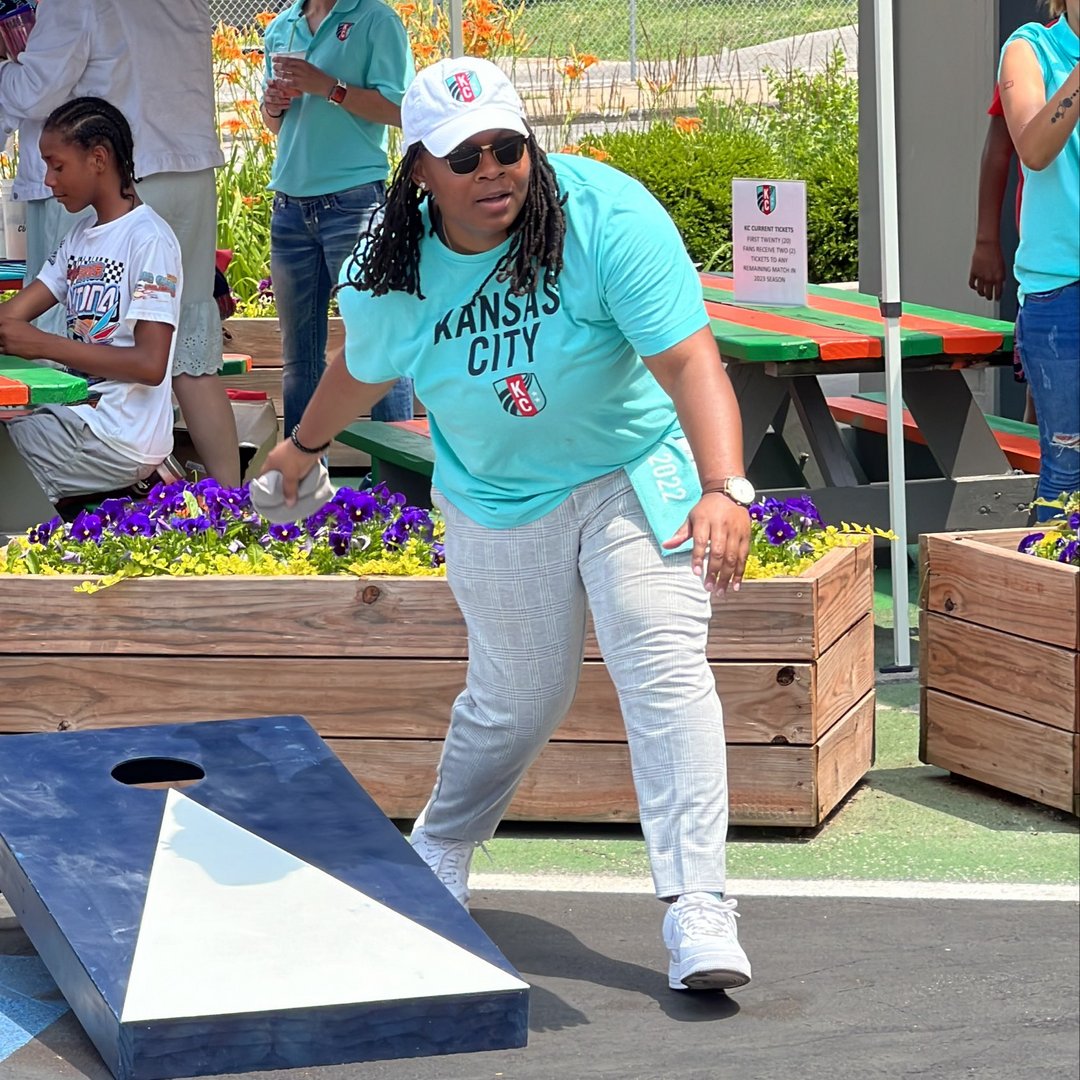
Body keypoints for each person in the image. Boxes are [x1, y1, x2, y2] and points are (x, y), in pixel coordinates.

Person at [259, 57, 755, 993]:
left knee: (662, 663)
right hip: (495, 495)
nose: (492, 170)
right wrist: (300, 447)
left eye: (507, 146)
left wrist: (726, 486)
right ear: (418, 171)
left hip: (627, 471)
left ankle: (698, 903)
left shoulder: (606, 214)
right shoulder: (390, 263)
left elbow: (692, 361)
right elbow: (365, 366)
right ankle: (442, 842)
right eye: (463, 155)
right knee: (520, 700)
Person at [0, 0, 241, 486]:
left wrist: (6, 67)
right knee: (191, 357)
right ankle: (229, 502)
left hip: (117, 177)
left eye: (54, 168)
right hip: (184, 170)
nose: (49, 177)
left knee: (63, 340)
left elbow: (37, 88)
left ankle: (84, 477)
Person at [0, 97, 181, 502]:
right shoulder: (79, 237)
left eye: (57, 165)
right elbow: (12, 318)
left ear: (98, 158)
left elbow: (150, 365)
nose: (48, 180)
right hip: (76, 419)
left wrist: (42, 345)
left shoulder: (148, 240)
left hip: (117, 437)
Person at [261, 0, 415, 443]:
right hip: (289, 205)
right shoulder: (281, 26)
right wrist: (273, 105)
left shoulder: (376, 19)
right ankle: (303, 485)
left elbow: (400, 109)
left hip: (355, 202)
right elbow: (275, 124)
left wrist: (332, 88)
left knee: (378, 340)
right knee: (299, 358)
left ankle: (396, 485)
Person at [999, 0, 1079, 519]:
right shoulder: (1031, 48)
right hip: (1061, 291)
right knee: (1067, 468)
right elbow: (1032, 148)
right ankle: (1055, 595)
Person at [968, 4, 1060, 425]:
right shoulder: (1033, 51)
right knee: (1043, 395)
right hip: (1052, 265)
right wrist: (987, 240)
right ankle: (1030, 481)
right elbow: (999, 149)